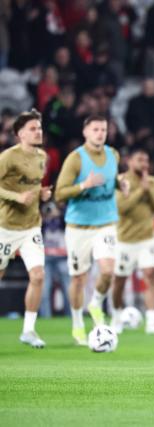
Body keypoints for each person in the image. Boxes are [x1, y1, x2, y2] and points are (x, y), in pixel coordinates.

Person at [55, 114, 128, 345]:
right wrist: (84, 185)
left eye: (103, 130)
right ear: (85, 132)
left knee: (108, 270)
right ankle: (77, 323)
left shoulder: (113, 154)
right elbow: (59, 193)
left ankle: (95, 302)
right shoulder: (76, 159)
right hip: (79, 227)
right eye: (95, 129)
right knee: (78, 278)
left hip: (105, 223)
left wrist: (121, 184)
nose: (100, 133)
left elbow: (113, 178)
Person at [0, 109, 52, 348]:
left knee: (38, 275)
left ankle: (28, 330)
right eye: (33, 128)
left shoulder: (42, 156)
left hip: (32, 227)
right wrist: (16, 197)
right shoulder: (8, 157)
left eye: (39, 128)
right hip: (6, 226)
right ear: (20, 134)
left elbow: (33, 187)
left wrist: (42, 194)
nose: (38, 131)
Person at [111, 149, 154, 334]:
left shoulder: (152, 182)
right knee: (119, 281)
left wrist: (148, 191)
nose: (144, 164)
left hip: (147, 239)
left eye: (146, 160)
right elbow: (121, 207)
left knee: (150, 275)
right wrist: (139, 192)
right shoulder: (120, 181)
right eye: (140, 159)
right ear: (129, 161)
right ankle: (116, 316)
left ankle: (151, 320)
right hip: (125, 240)